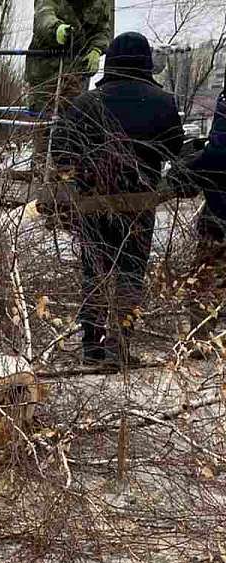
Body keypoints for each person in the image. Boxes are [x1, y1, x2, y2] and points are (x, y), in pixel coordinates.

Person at [53, 32, 185, 365]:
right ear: (146, 62)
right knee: (130, 273)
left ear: (109, 60)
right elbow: (172, 150)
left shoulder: (84, 104)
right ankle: (120, 344)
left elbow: (60, 153)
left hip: (92, 205)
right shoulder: (163, 101)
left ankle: (91, 346)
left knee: (93, 271)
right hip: (138, 207)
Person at [26, 0, 113, 171]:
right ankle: (40, 171)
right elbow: (44, 16)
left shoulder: (100, 3)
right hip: (44, 71)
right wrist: (56, 29)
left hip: (76, 72)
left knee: (72, 124)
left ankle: (67, 172)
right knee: (45, 126)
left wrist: (96, 50)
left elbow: (102, 31)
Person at [174, 88, 226, 347]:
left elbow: (218, 154)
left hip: (220, 214)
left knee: (207, 279)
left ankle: (200, 340)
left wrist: (187, 168)